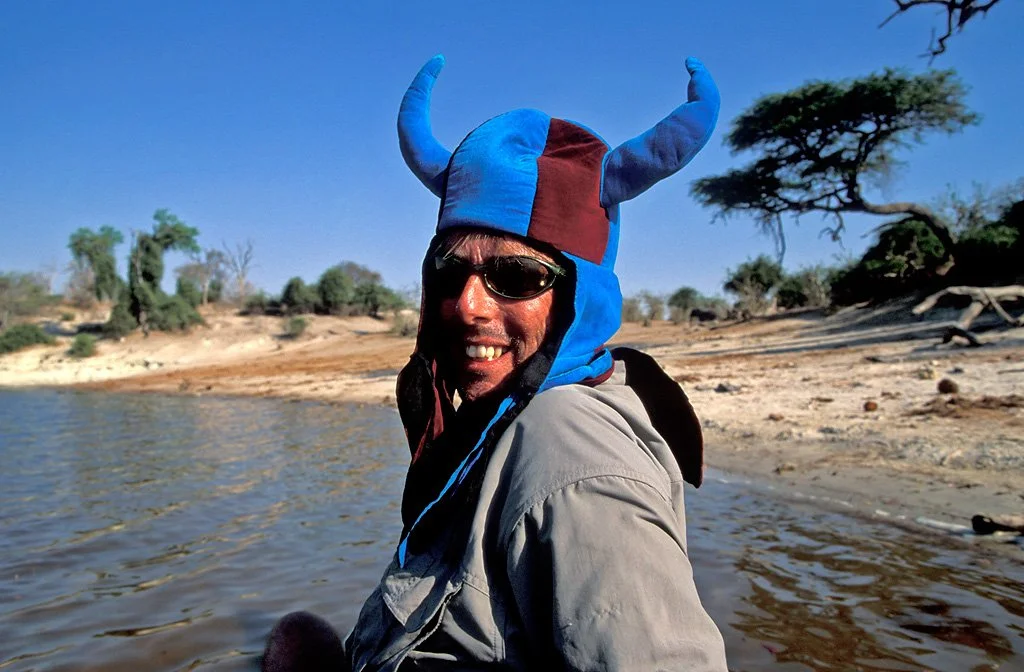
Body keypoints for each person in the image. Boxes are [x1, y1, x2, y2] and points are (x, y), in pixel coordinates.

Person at [263, 54, 727, 671]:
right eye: (450, 272)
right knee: (297, 635)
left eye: (515, 276)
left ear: (577, 296)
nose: (468, 304)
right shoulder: (511, 410)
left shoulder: (571, 450)